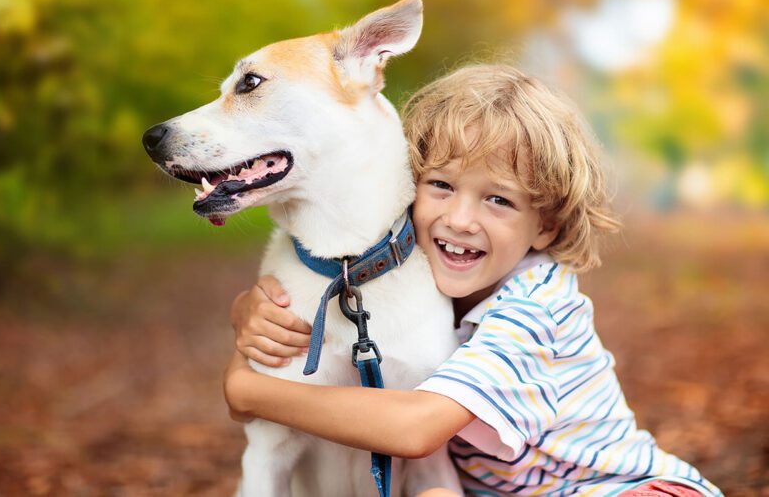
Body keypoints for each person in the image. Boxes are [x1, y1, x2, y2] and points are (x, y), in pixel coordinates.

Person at [223, 64, 721, 496]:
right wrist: (247, 309)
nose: (460, 219)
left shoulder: (537, 308)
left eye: (498, 200)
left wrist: (250, 391)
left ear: (545, 225)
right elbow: (338, 286)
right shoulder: (415, 274)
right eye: (441, 185)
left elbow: (415, 429)